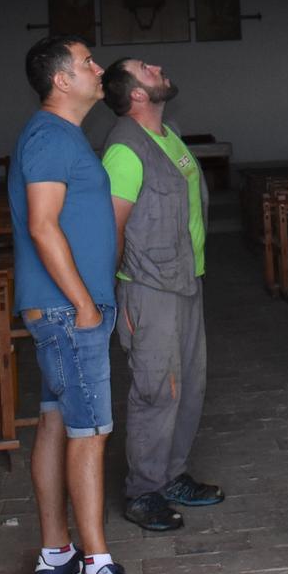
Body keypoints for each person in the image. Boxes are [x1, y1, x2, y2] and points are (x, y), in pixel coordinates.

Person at [8, 35, 151, 574]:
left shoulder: (65, 136)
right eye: (87, 62)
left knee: (55, 425)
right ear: (61, 81)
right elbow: (43, 226)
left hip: (68, 310)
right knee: (90, 434)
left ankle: (56, 554)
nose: (98, 68)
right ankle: (98, 570)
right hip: (69, 312)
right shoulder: (47, 136)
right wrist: (86, 306)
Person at [99, 57, 224, 533]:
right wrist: (109, 297)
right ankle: (143, 490)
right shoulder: (125, 150)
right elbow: (110, 228)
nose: (158, 67)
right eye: (146, 69)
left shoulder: (167, 137)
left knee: (189, 385)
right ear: (134, 94)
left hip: (184, 281)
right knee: (157, 390)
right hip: (149, 289)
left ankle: (172, 476)